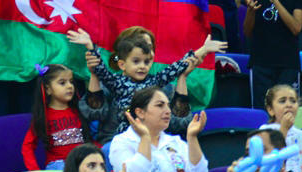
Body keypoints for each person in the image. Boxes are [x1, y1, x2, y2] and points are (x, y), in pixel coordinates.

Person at [70, 27, 219, 141]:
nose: (142, 66)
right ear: (122, 64)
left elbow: (179, 66)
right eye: (136, 61)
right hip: (126, 137)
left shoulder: (156, 82)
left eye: (146, 61)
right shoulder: (117, 83)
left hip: (153, 136)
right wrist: (90, 46)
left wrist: (204, 49)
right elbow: (101, 70)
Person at [24, 63, 92, 171]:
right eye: (62, 83)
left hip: (81, 162)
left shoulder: (79, 110)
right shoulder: (43, 117)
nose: (70, 86)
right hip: (58, 166)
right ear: (48, 89)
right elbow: (27, 146)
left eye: (71, 81)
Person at [259, 84, 302, 172]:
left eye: (293, 101)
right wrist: (284, 129)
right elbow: (269, 161)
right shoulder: (264, 131)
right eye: (282, 101)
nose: (289, 105)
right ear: (270, 110)